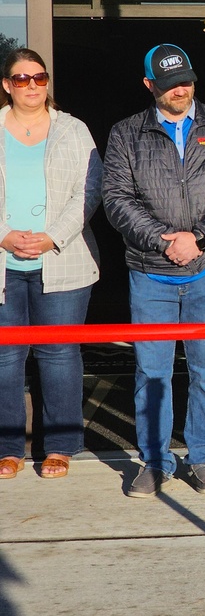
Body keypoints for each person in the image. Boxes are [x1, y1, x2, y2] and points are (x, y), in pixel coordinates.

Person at [102, 44, 205, 498]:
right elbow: (116, 199)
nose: (180, 89)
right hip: (150, 274)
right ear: (150, 86)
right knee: (152, 372)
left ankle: (204, 457)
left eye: (185, 79)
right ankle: (155, 461)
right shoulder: (126, 134)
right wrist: (163, 239)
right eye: (169, 84)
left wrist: (199, 238)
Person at [0, 49, 101, 480]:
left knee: (59, 355)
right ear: (7, 84)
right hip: (3, 260)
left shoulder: (73, 130)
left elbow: (90, 190)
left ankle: (59, 446)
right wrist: (3, 233)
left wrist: (51, 237)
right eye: (21, 79)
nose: (31, 86)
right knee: (5, 357)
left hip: (63, 259)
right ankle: (8, 448)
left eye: (38, 78)